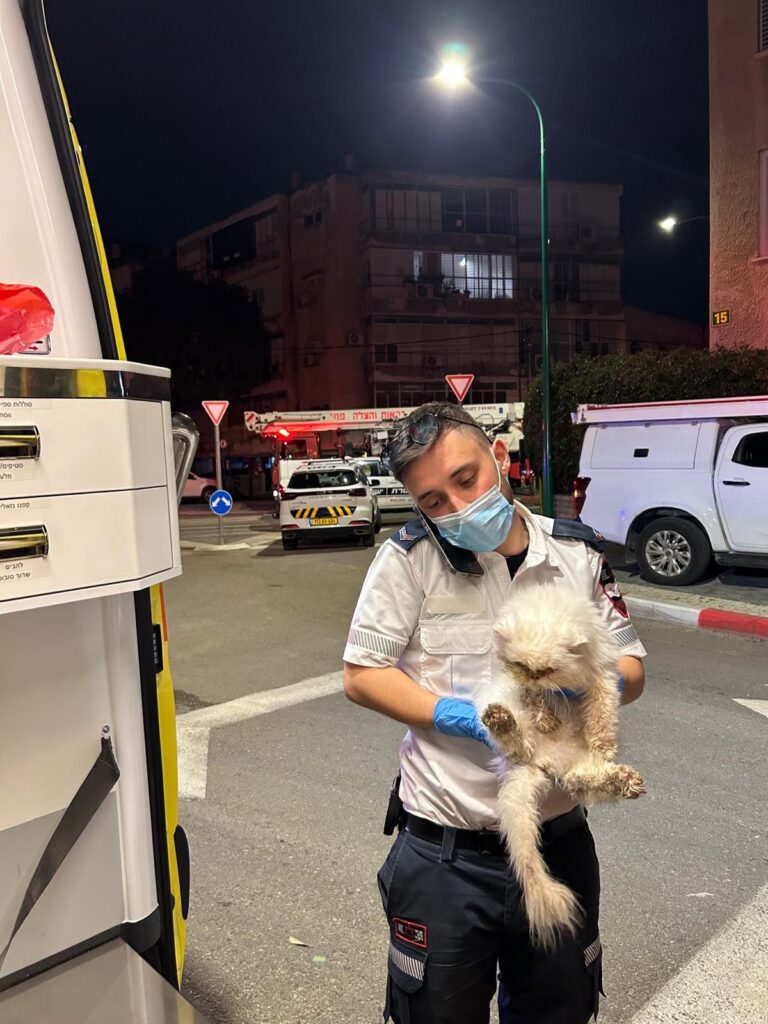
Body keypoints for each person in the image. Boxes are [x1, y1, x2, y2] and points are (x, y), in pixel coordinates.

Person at [342, 402, 646, 1024]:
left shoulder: (575, 554)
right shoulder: (406, 561)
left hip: (557, 843)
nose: (457, 506)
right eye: (433, 500)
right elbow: (362, 675)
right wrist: (456, 715)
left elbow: (632, 666)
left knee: (560, 1012)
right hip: (444, 857)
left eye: (466, 479)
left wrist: (582, 684)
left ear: (500, 458)